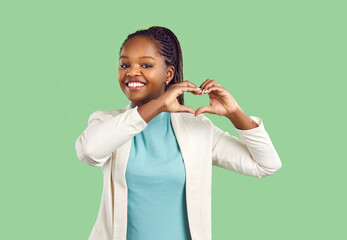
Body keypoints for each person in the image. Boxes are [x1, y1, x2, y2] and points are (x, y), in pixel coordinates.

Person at [75, 26, 282, 240]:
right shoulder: (108, 122)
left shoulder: (198, 129)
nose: (132, 72)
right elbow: (88, 152)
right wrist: (157, 105)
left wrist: (234, 113)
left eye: (146, 65)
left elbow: (266, 164)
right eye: (124, 64)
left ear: (169, 74)